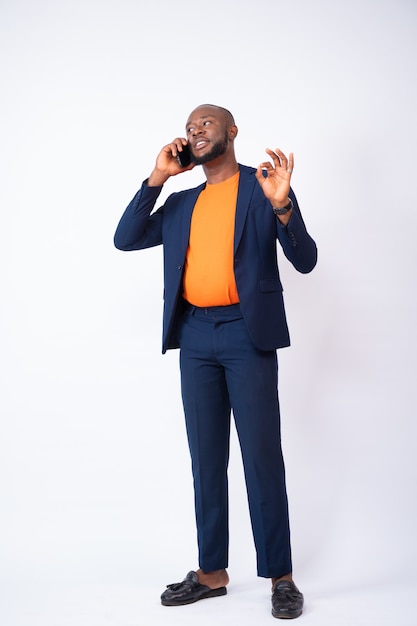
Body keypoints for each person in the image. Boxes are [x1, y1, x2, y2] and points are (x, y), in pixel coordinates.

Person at [114, 104, 317, 619]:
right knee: (206, 459)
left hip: (248, 336)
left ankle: (281, 577)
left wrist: (284, 208)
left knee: (261, 457)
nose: (195, 131)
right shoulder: (182, 203)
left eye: (205, 124)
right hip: (196, 337)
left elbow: (306, 259)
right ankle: (211, 573)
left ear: (231, 132)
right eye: (189, 128)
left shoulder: (262, 187)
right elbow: (126, 238)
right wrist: (158, 177)